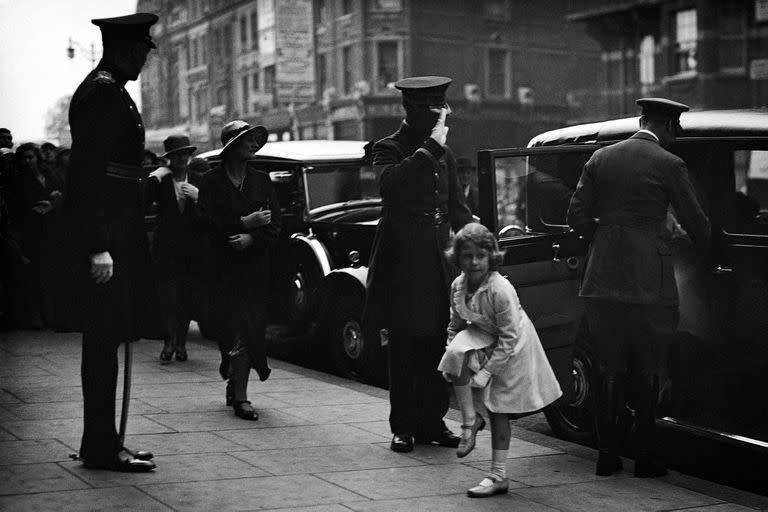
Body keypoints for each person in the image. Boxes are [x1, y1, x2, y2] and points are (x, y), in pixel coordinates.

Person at [567, 97, 710, 478]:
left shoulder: (600, 158)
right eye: (674, 131)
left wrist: (604, 235)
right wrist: (704, 250)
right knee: (647, 367)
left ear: (641, 120)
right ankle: (645, 459)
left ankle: (607, 455)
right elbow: (697, 223)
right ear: (666, 127)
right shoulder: (669, 164)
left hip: (601, 281)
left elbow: (576, 215)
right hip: (649, 283)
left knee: (608, 367)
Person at [65, 12, 160, 472]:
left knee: (109, 342)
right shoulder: (102, 93)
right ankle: (101, 446)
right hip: (109, 236)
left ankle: (105, 440)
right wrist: (98, 245)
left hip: (120, 229)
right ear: (126, 48)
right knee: (102, 344)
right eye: (143, 49)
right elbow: (85, 176)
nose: (145, 57)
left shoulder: (112, 91)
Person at [363, 75, 472, 453]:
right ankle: (404, 426)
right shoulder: (388, 148)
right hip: (402, 261)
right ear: (410, 109)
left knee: (435, 343)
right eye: (434, 108)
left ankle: (432, 421)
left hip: (438, 260)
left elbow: (457, 209)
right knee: (404, 344)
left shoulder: (446, 154)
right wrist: (429, 150)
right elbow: (390, 187)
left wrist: (480, 245)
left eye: (443, 107)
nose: (443, 114)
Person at [438, 223, 562, 497]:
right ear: (457, 258)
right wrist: (452, 353)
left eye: (481, 256)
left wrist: (485, 373)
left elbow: (509, 337)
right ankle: (469, 423)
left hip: (514, 345)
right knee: (457, 352)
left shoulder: (500, 288)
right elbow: (455, 324)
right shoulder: (458, 285)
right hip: (484, 335)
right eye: (467, 256)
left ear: (491, 256)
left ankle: (498, 475)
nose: (474, 262)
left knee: (498, 407)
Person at [198, 120, 280, 421]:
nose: (252, 145)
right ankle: (232, 371)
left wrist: (252, 238)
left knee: (248, 329)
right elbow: (205, 224)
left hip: (254, 269)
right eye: (247, 140)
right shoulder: (211, 182)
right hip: (221, 269)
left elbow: (275, 226)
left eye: (255, 140)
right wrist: (242, 224)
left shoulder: (261, 180)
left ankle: (243, 397)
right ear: (232, 146)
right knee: (226, 329)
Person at [149, 135, 204, 363]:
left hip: (192, 251)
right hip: (167, 250)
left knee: (186, 299)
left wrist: (199, 197)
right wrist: (154, 176)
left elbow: (214, 212)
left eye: (184, 154)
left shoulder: (200, 179)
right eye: (176, 155)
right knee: (169, 298)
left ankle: (180, 342)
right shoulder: (160, 181)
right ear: (169, 158)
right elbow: (141, 201)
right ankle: (169, 341)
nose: (181, 158)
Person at [9, 142, 65, 328]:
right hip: (31, 231)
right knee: (34, 276)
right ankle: (36, 316)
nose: (27, 161)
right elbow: (24, 205)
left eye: (30, 157)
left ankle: (51, 314)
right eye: (24, 158)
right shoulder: (18, 181)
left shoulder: (50, 175)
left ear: (37, 158)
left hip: (52, 230)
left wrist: (54, 202)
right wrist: (51, 199)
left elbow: (63, 195)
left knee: (52, 273)